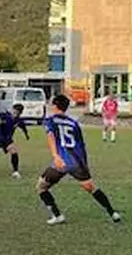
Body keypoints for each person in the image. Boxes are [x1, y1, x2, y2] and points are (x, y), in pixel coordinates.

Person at [37, 94, 121, 225]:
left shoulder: (50, 120)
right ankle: (113, 213)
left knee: (41, 187)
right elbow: (81, 145)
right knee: (90, 187)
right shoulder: (74, 123)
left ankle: (57, 215)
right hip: (77, 161)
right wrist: (84, 164)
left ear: (54, 106)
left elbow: (51, 136)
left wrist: (56, 156)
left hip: (61, 162)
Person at [0, 103, 30, 178]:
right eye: (15, 111)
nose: (16, 114)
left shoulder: (18, 120)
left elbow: (23, 127)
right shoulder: (5, 116)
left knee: (14, 151)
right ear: (13, 110)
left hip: (7, 140)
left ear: (21, 113)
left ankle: (15, 172)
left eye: (18, 112)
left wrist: (26, 135)